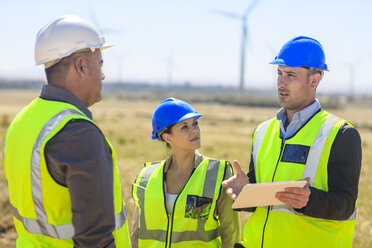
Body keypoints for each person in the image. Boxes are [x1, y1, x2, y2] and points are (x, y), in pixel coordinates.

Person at [3, 15, 131, 247]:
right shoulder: (78, 133)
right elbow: (95, 240)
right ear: (81, 65)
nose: (103, 75)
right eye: (99, 64)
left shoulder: (21, 122)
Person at [222, 36, 362, 248]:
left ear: (314, 80)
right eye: (279, 74)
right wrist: (243, 193)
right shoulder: (262, 132)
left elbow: (345, 205)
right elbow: (261, 201)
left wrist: (310, 200)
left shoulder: (341, 134)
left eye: (290, 75)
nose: (281, 83)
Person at [131, 98, 240, 248]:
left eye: (195, 123)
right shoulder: (146, 177)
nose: (195, 130)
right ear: (167, 137)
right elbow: (137, 234)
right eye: (184, 127)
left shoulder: (217, 173)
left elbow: (230, 231)